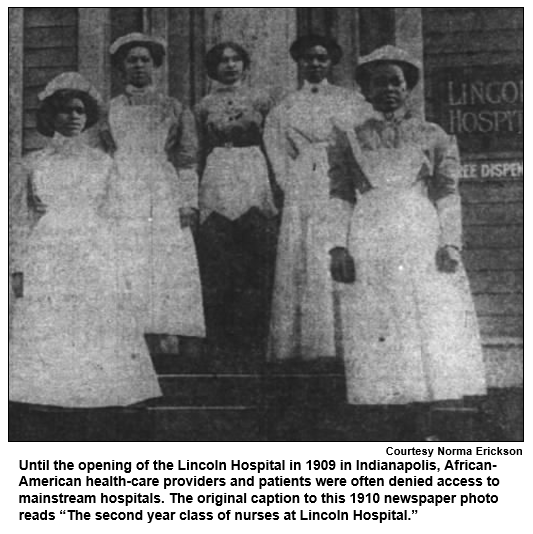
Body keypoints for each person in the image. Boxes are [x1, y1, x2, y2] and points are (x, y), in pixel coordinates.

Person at [328, 45, 487, 440]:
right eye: (378, 83)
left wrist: (451, 243)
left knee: (423, 322)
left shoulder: (433, 135)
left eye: (396, 82)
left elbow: (447, 193)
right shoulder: (350, 137)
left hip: (419, 232)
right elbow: (339, 194)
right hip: (369, 233)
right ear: (364, 90)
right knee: (377, 320)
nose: (389, 90)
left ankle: (423, 424)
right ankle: (382, 422)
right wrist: (337, 246)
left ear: (408, 87)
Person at [9, 72, 161, 408]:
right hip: (48, 248)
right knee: (52, 317)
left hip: (95, 247)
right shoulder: (32, 164)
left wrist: (122, 262)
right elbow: (19, 219)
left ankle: (98, 391)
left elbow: (117, 214)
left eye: (79, 111)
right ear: (50, 116)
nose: (73, 117)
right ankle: (51, 391)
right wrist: (16, 266)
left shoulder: (103, 163)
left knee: (95, 317)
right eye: (65, 110)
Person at [264, 35, 372, 361]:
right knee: (305, 252)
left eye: (321, 58)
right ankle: (307, 344)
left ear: (331, 63)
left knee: (335, 245)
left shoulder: (350, 101)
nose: (314, 64)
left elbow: (363, 142)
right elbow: (276, 151)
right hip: (302, 181)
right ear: (298, 62)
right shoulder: (285, 107)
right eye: (308, 58)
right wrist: (289, 183)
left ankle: (341, 342)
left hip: (339, 179)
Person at [103, 33, 205, 357]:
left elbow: (187, 158)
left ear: (155, 65)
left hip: (161, 188)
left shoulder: (173, 107)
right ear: (121, 68)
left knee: (166, 260)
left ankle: (167, 335)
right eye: (130, 60)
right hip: (122, 187)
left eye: (144, 59)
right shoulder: (110, 110)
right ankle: (131, 336)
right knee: (129, 257)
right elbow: (102, 155)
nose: (138, 65)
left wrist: (188, 201)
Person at [194, 42, 278, 360]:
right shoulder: (203, 106)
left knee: (255, 250)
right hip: (217, 170)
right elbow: (199, 149)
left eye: (235, 60)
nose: (230, 66)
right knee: (219, 253)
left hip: (253, 168)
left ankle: (254, 338)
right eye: (222, 61)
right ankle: (222, 341)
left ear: (245, 65)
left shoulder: (261, 99)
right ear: (212, 68)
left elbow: (273, 144)